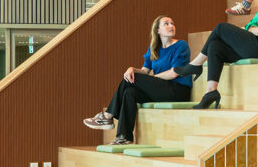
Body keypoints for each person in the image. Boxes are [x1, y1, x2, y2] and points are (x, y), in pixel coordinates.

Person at [83, 15, 193, 146]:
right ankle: (124, 137)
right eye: (166, 24)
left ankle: (107, 116)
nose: (171, 26)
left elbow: (174, 73)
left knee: (133, 81)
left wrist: (148, 79)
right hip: (161, 89)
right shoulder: (154, 49)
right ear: (157, 30)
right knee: (129, 92)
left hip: (177, 90)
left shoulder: (181, 45)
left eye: (172, 23)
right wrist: (131, 69)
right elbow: (144, 71)